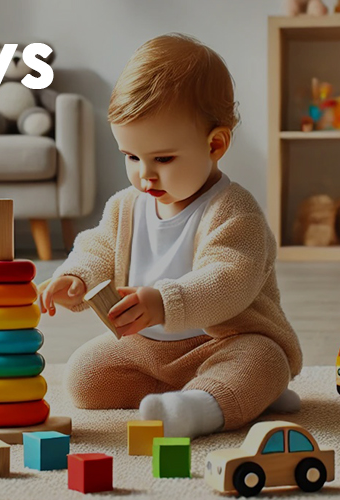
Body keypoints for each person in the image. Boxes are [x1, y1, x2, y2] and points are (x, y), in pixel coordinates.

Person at [39, 33, 302, 438]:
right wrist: (78, 278)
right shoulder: (126, 206)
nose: (145, 174)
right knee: (84, 376)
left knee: (264, 360)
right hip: (148, 347)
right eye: (131, 157)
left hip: (225, 341)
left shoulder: (234, 211)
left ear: (215, 144)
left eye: (163, 158)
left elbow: (229, 280)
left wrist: (164, 302)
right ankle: (231, 395)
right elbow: (98, 247)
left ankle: (203, 405)